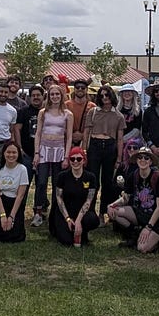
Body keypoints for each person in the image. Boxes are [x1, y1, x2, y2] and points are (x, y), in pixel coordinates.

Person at [108, 146, 159, 253]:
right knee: (114, 211)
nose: (143, 160)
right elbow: (126, 197)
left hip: (158, 219)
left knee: (142, 248)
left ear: (151, 162)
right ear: (136, 160)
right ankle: (135, 234)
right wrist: (112, 205)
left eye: (146, 158)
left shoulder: (158, 177)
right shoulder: (134, 175)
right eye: (140, 157)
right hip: (140, 213)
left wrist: (149, 227)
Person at [32, 84, 74, 226]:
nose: (55, 97)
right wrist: (36, 153)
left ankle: (57, 212)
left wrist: (67, 157)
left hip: (59, 151)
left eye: (57, 94)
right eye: (52, 94)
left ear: (61, 96)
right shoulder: (43, 112)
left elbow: (68, 137)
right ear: (48, 96)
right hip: (44, 149)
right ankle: (38, 212)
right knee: (41, 182)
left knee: (57, 183)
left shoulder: (68, 114)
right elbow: (38, 133)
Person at [83, 85, 125, 216]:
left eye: (107, 95)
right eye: (101, 96)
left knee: (107, 182)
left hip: (110, 146)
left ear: (112, 96)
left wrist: (119, 157)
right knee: (92, 179)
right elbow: (86, 132)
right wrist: (84, 150)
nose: (104, 98)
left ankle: (103, 212)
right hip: (94, 146)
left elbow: (120, 139)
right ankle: (90, 212)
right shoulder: (93, 112)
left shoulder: (118, 115)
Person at [50, 147, 100, 246]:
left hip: (81, 212)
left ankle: (81, 230)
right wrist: (68, 218)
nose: (75, 161)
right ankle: (73, 231)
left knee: (93, 220)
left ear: (84, 160)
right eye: (72, 159)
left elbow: (88, 201)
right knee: (67, 241)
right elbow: (59, 198)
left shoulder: (91, 177)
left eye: (79, 159)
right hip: (65, 213)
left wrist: (78, 220)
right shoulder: (62, 176)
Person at [0, 141, 29, 243]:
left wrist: (11, 217)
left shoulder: (22, 169)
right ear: (4, 153)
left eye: (14, 152)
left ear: (18, 154)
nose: (11, 155)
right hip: (0, 202)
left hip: (15, 203)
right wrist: (3, 216)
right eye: (8, 152)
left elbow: (20, 195)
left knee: (15, 236)